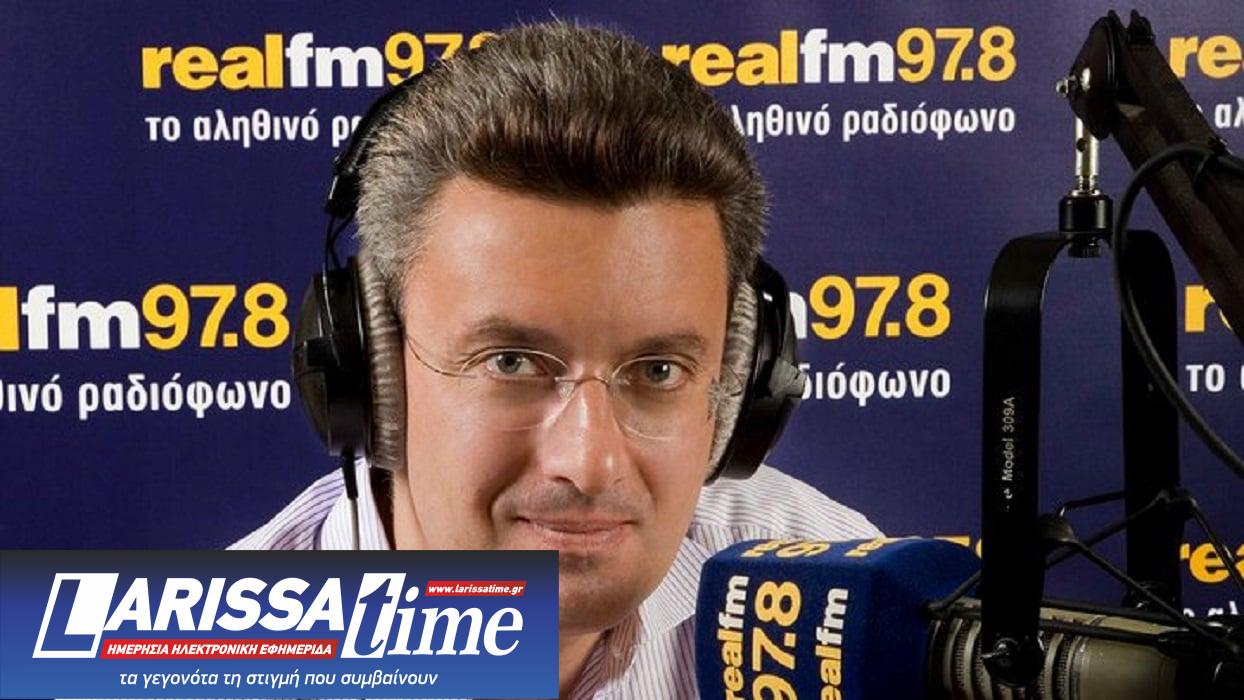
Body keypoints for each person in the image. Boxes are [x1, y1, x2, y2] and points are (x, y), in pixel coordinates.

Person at [233, 21, 880, 698]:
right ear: (374, 379)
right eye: (512, 362)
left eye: (658, 371)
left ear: (739, 389)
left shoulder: (826, 586)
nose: (590, 462)